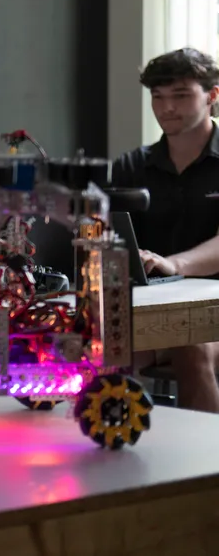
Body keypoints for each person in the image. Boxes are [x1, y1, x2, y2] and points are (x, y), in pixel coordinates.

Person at [112, 47, 219, 413]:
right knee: (105, 351)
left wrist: (174, 264)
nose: (166, 108)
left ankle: (205, 467)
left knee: (192, 346)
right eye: (157, 97)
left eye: (180, 95)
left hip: (213, 308)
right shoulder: (132, 166)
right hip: (152, 306)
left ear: (212, 95)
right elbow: (114, 237)